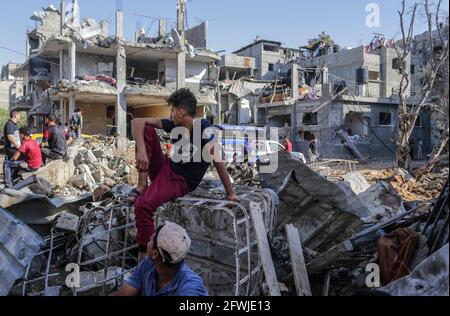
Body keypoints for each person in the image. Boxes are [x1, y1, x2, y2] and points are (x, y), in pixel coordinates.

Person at [130, 88, 239, 261]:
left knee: (142, 206)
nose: (170, 114)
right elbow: (137, 122)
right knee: (146, 129)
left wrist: (230, 192)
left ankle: (145, 261)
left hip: (180, 180)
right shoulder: (175, 124)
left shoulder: (204, 128)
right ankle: (142, 185)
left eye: (172, 110)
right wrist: (142, 151)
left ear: (181, 112)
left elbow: (217, 161)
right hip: (167, 168)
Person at [113, 222, 208, 296]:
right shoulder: (148, 263)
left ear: (155, 254)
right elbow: (124, 293)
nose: (149, 238)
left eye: (151, 239)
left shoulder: (190, 287)